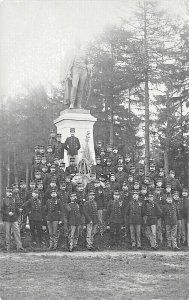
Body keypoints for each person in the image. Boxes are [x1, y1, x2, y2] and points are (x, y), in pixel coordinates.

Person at [60, 38, 92, 109]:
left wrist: (89, 67)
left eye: (80, 42)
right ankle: (72, 103)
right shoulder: (73, 52)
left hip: (83, 70)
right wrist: (68, 72)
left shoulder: (84, 52)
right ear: (75, 43)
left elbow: (87, 62)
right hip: (75, 69)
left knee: (80, 88)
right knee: (74, 86)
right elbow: (69, 63)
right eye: (77, 42)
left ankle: (79, 104)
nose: (79, 43)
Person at [1, 187, 25, 252]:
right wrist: (8, 213)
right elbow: (1, 209)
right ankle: (8, 248)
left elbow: (15, 207)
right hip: (7, 219)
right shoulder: (3, 200)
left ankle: (19, 247)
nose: (10, 193)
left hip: (14, 219)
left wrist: (19, 210)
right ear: (6, 193)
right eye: (8, 192)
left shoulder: (14, 199)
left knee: (17, 232)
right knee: (7, 233)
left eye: (11, 192)